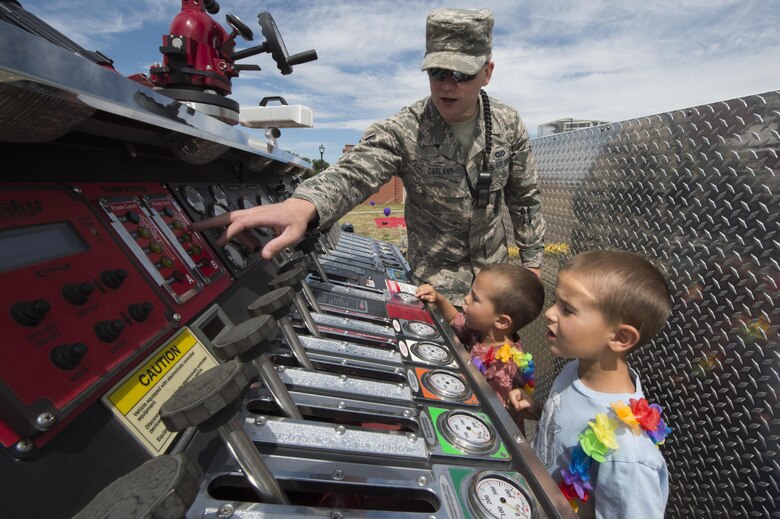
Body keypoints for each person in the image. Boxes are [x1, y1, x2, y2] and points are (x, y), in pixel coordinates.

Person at [191, 8, 545, 302]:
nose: (447, 84)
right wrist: (303, 205)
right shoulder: (404, 129)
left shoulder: (507, 123)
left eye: (462, 74)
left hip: (497, 285)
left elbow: (524, 198)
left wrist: (531, 268)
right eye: (437, 72)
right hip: (436, 288)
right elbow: (354, 171)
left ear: (487, 73)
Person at [508, 250, 672, 517]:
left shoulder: (627, 450)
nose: (549, 313)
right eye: (555, 301)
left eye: (567, 309)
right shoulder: (576, 369)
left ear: (620, 337)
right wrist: (539, 410)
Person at [416, 263, 544, 430]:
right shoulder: (483, 331)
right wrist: (439, 298)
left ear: (501, 321)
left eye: (475, 298)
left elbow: (494, 417)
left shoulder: (504, 367)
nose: (466, 298)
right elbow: (455, 319)